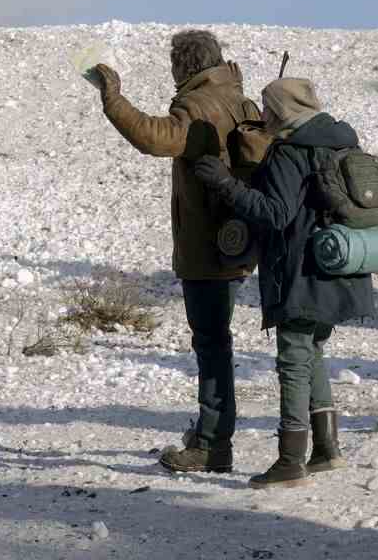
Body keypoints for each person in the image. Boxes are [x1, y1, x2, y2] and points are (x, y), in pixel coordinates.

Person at [90, 30, 260, 473]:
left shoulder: (199, 105)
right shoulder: (238, 97)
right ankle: (211, 434)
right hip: (236, 237)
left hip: (207, 243)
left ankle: (212, 444)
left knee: (211, 343)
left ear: (182, 67)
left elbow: (156, 138)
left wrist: (113, 99)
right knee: (216, 340)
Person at [194, 77, 375, 489]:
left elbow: (275, 214)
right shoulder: (343, 141)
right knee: (311, 351)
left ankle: (290, 460)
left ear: (282, 110)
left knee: (293, 359)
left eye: (268, 108)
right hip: (340, 265)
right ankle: (327, 450)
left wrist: (224, 183)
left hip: (301, 270)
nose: (264, 116)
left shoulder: (290, 152)